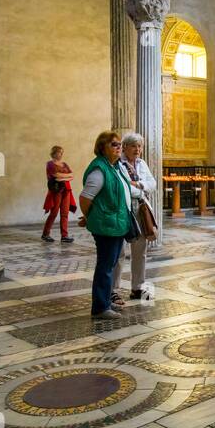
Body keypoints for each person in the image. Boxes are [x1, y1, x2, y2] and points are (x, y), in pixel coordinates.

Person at [78, 130, 134, 319]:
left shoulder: (113, 167)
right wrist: (91, 216)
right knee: (105, 265)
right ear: (102, 148)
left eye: (120, 144)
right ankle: (100, 308)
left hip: (116, 223)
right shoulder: (99, 169)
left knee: (109, 264)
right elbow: (85, 198)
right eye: (114, 144)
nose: (119, 147)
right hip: (107, 225)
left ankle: (105, 301)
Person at [118, 132, 158, 298]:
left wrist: (139, 184)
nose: (137, 149)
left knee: (140, 251)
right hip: (124, 211)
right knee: (119, 252)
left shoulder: (142, 163)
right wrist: (140, 190)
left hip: (141, 211)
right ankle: (114, 290)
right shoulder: (119, 164)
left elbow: (153, 184)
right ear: (125, 147)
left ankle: (137, 287)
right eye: (134, 146)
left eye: (139, 146)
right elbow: (124, 186)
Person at [42, 145, 75, 244]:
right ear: (54, 153)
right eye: (58, 152)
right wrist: (65, 177)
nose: (60, 154)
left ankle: (64, 236)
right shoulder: (50, 164)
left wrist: (62, 178)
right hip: (56, 190)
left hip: (66, 190)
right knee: (54, 212)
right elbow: (56, 176)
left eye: (61, 153)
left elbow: (72, 175)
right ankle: (45, 234)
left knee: (64, 213)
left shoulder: (64, 164)